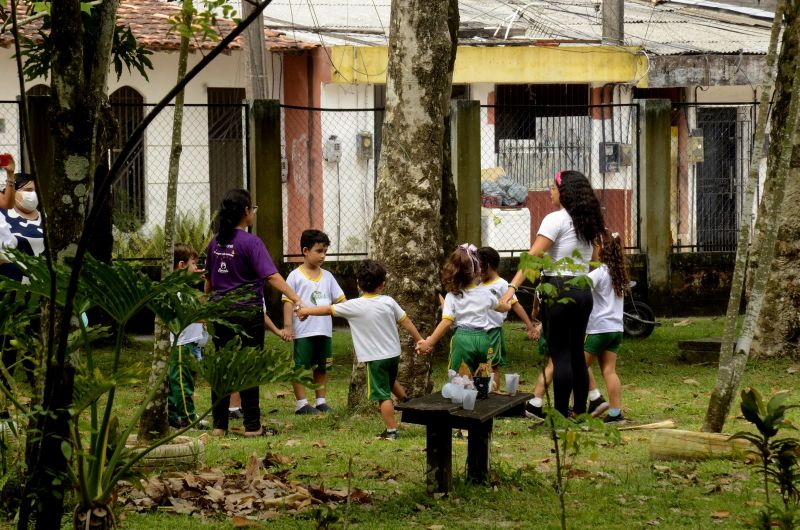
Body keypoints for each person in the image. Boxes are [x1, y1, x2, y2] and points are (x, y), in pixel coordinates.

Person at [501, 170, 604, 418]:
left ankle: (559, 414)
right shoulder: (587, 221)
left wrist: (512, 287)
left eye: (553, 187)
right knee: (577, 353)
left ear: (564, 192)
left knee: (560, 355)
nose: (550, 191)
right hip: (582, 290)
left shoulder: (555, 219)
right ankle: (579, 413)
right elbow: (594, 261)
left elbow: (533, 256)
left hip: (559, 289)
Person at [205, 188, 304, 437]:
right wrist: (295, 297)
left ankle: (219, 426)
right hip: (247, 314)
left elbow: (209, 282)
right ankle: (252, 426)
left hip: (220, 313)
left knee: (222, 367)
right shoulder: (251, 242)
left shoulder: (214, 242)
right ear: (246, 212)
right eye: (253, 208)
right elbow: (271, 275)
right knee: (250, 368)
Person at [297, 259, 426, 439]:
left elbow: (327, 309)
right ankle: (406, 400)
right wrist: (420, 339)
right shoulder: (389, 301)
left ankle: (391, 430)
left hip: (375, 358)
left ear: (358, 283)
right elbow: (406, 320)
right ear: (383, 284)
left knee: (382, 395)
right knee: (389, 381)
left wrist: (306, 311)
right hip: (394, 354)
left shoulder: (354, 306)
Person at [418, 244, 511, 374]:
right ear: (478, 270)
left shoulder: (452, 296)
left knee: (459, 378)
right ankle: (484, 391)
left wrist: (429, 343)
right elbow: (502, 307)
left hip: (462, 340)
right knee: (484, 377)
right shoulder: (486, 293)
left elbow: (446, 322)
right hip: (484, 339)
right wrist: (508, 303)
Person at [282, 229, 345, 414]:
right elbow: (287, 302)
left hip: (324, 331)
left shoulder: (328, 277)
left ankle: (321, 401)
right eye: (319, 251)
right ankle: (301, 404)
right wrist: (288, 327)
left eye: (325, 251)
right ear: (305, 251)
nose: (323, 255)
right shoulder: (295, 276)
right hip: (303, 332)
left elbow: (341, 300)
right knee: (300, 368)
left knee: (322, 367)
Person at [476, 246, 538, 391]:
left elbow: (516, 306)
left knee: (492, 365)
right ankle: (482, 392)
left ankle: (495, 393)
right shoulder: (477, 283)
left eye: (480, 267)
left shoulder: (502, 284)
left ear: (489, 266)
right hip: (478, 332)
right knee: (480, 364)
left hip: (492, 333)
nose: (478, 271)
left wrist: (530, 326)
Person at [584, 230, 628, 423]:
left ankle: (594, 399)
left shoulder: (599, 272)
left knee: (578, 365)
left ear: (600, 248)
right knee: (609, 371)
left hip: (599, 329)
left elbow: (579, 288)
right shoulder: (618, 273)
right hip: (616, 329)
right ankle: (615, 413)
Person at [167, 244, 210, 430]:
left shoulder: (187, 288)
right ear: (181, 265)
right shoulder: (175, 290)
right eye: (194, 264)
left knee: (186, 381)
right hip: (181, 343)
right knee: (182, 384)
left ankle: (176, 416)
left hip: (192, 343)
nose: (197, 268)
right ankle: (187, 418)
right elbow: (195, 313)